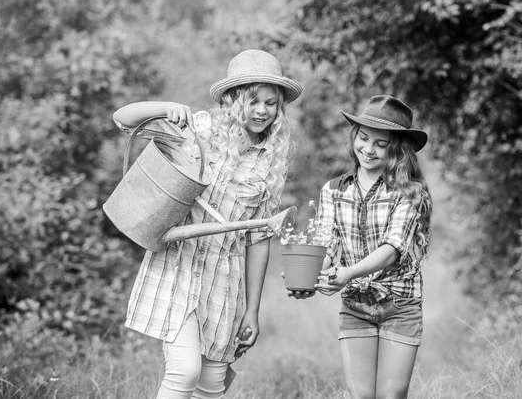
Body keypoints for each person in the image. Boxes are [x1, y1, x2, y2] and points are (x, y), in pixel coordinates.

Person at [112, 49, 302, 399]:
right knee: (184, 371)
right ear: (232, 99)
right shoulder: (198, 130)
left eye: (271, 103)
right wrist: (164, 106)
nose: (262, 111)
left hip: (224, 280)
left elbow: (257, 239)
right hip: (178, 267)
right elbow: (123, 119)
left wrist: (252, 311)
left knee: (212, 384)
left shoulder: (269, 163)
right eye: (253, 101)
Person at [312, 95, 432, 399]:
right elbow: (328, 246)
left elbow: (392, 248)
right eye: (363, 139)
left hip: (400, 304)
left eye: (381, 144)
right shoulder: (333, 190)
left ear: (396, 150)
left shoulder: (409, 192)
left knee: (391, 395)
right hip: (355, 304)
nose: (369, 149)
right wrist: (315, 275)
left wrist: (348, 272)